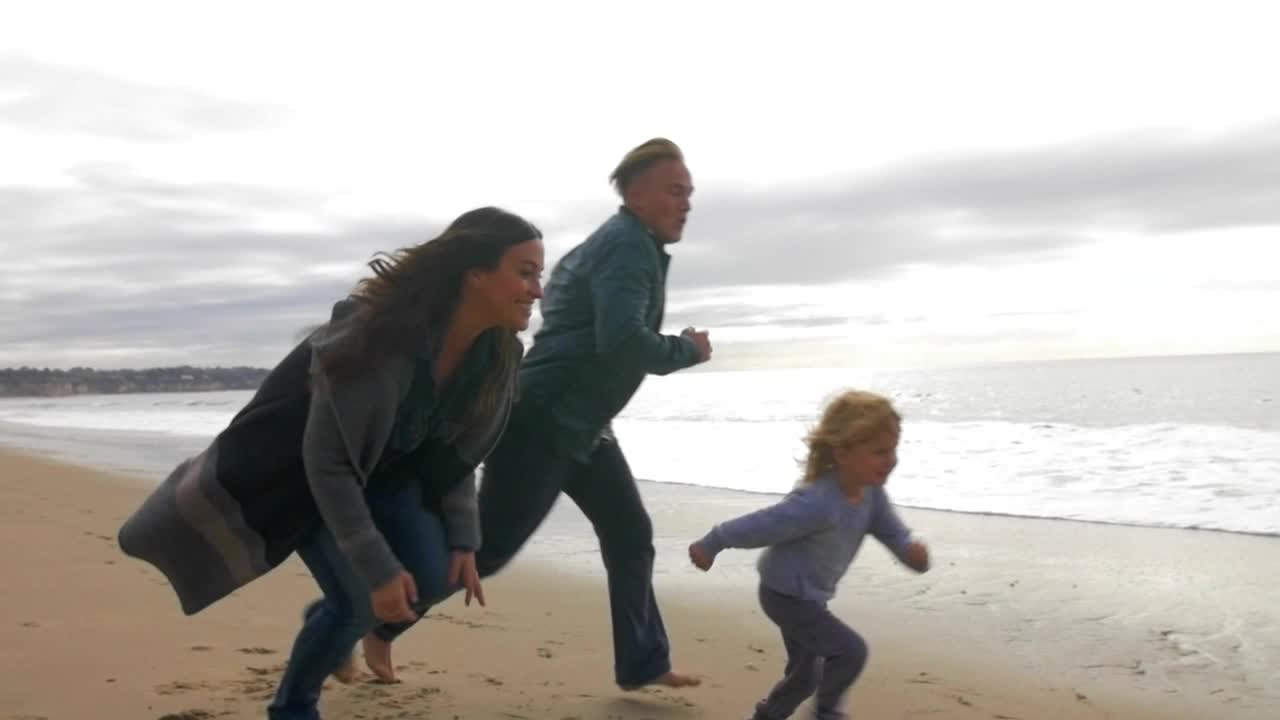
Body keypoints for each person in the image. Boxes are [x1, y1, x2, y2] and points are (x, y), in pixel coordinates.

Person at [116, 206, 545, 720]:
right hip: (301, 477)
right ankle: (294, 706)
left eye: (538, 275)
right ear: (475, 274)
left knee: (432, 581)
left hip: (384, 475)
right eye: (525, 273)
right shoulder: (375, 339)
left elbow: (453, 455)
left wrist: (463, 539)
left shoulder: (495, 356)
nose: (537, 290)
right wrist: (377, 570)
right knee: (360, 601)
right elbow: (329, 466)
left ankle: (333, 621)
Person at [362, 138, 712, 690]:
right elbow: (623, 341)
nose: (686, 203)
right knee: (490, 550)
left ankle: (643, 663)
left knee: (629, 534)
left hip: (584, 424)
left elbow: (572, 320)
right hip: (545, 421)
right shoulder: (625, 248)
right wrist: (686, 349)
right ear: (637, 196)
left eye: (688, 192)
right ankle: (374, 621)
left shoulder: (618, 244)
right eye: (675, 191)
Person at [687, 390, 931, 720]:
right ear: (843, 453)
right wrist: (714, 542)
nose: (891, 460)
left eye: (893, 449)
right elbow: (764, 525)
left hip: (810, 598)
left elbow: (892, 532)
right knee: (850, 651)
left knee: (805, 677)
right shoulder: (817, 502)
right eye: (879, 452)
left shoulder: (872, 496)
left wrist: (911, 553)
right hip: (785, 596)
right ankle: (826, 713)